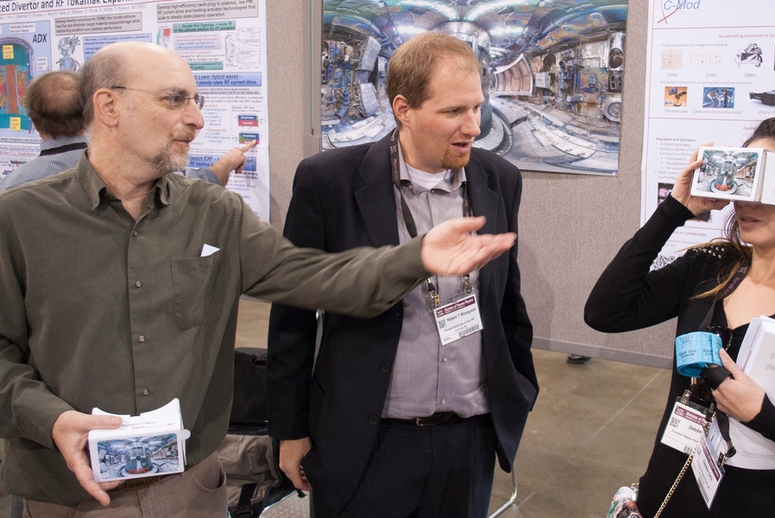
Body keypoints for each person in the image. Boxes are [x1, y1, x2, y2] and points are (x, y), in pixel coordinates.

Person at [0, 41, 516, 518]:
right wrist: (47, 418)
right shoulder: (21, 220)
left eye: (197, 99)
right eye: (175, 99)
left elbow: (315, 278)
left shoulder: (215, 214)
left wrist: (415, 258)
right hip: (70, 493)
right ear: (109, 107)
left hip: (189, 490)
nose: (197, 119)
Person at [267, 31, 537, 517]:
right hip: (367, 441)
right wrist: (290, 429)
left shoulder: (499, 180)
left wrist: (518, 387)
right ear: (403, 108)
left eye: (478, 107)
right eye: (454, 111)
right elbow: (293, 314)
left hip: (467, 439)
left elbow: (506, 301)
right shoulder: (329, 182)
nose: (473, 126)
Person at [584, 117, 775, 517]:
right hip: (669, 494)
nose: (749, 202)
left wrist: (764, 416)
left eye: (771, 184)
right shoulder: (712, 267)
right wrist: (674, 211)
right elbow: (605, 312)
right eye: (746, 179)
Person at [0, 70, 256, 192]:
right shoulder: (130, 172)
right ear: (97, 112)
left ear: (34, 123)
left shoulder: (10, 188)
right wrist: (229, 161)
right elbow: (202, 183)